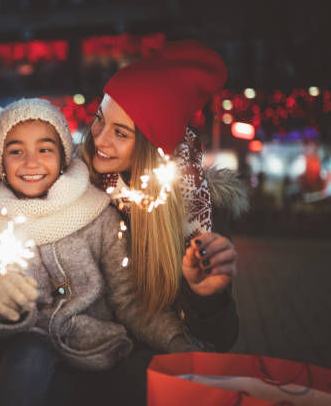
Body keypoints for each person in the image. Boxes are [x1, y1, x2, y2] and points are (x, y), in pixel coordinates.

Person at [0, 98, 201, 406]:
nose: (30, 162)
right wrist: (2, 304)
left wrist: (176, 340)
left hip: (98, 356)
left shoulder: (99, 216)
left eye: (44, 149)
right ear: (1, 160)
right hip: (28, 361)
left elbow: (129, 300)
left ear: (64, 156)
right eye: (15, 151)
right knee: (29, 353)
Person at [79, 40, 249, 404]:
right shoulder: (74, 187)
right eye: (99, 119)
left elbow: (220, 340)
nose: (99, 140)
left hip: (146, 378)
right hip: (77, 360)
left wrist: (207, 297)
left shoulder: (199, 214)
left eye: (120, 133)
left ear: (151, 148)